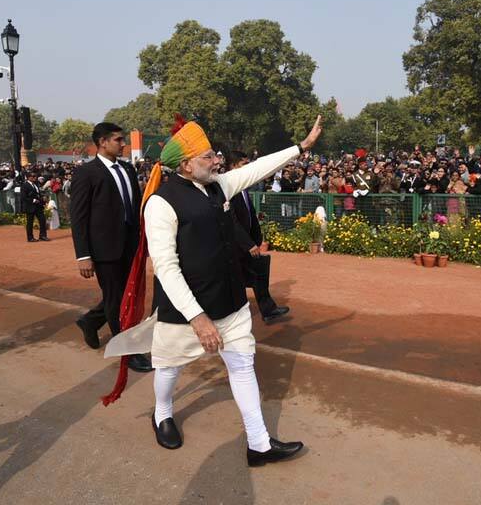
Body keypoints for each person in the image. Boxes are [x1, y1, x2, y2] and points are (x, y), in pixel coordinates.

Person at [107, 115, 322, 466]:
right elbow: (166, 268)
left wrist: (301, 147)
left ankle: (259, 445)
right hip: (184, 312)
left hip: (231, 302)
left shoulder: (218, 185)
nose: (216, 160)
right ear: (187, 165)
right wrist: (198, 318)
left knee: (242, 366)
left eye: (214, 155)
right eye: (208, 156)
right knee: (171, 367)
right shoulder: (161, 203)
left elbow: (257, 169)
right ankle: (162, 414)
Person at [69, 123, 152, 373]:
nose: (123, 143)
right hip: (104, 250)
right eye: (118, 140)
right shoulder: (87, 173)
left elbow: (135, 206)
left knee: (123, 294)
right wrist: (83, 255)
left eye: (123, 139)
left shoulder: (127, 168)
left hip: (130, 245)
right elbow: (78, 217)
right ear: (102, 142)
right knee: (117, 299)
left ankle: (90, 321)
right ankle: (127, 351)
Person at [227, 150, 290, 323]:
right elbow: (232, 222)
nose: (247, 168)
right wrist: (248, 244)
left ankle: (268, 310)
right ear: (233, 166)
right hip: (235, 246)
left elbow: (250, 213)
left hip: (247, 243)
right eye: (243, 164)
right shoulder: (229, 188)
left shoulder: (243, 187)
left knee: (260, 271)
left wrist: (257, 238)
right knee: (233, 281)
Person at [20, 171, 49, 242]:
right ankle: (30, 238)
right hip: (30, 207)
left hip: (38, 206)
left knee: (42, 220)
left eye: (35, 176)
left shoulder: (36, 184)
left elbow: (37, 194)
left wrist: (42, 199)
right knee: (30, 222)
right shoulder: (24, 185)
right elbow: (23, 197)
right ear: (28, 177)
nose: (35, 178)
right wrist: (33, 200)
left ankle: (42, 236)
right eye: (33, 176)